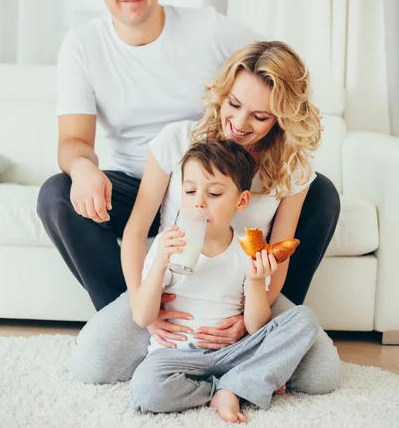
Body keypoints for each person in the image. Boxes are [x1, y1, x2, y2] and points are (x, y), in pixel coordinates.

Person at [36, 0, 340, 328]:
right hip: (136, 180)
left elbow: (277, 71)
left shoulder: (208, 29)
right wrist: (83, 168)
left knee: (320, 192)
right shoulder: (83, 45)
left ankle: (264, 322)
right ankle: (136, 318)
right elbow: (72, 141)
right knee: (57, 194)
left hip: (214, 175)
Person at [71, 40, 340, 396]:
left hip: (244, 293)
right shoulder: (177, 140)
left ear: (282, 117)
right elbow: (136, 231)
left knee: (321, 375)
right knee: (91, 363)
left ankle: (228, 372)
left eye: (260, 117)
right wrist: (143, 305)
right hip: (175, 289)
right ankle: (187, 365)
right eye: (234, 104)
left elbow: (277, 253)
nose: (240, 124)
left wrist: (247, 324)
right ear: (223, 93)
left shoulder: (293, 168)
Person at [128, 139, 320, 422]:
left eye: (215, 193)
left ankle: (236, 381)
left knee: (304, 320)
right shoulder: (166, 246)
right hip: (176, 356)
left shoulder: (245, 250)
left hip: (234, 351)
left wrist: (255, 281)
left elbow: (255, 327)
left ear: (241, 201)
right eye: (190, 191)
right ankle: (228, 388)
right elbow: (143, 318)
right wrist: (159, 265)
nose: (199, 202)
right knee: (146, 390)